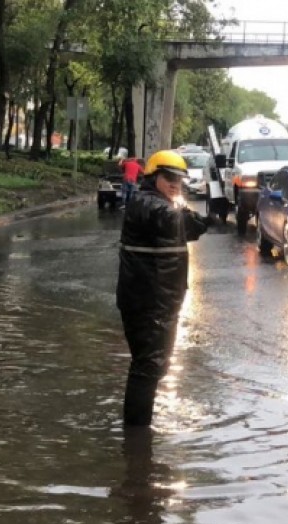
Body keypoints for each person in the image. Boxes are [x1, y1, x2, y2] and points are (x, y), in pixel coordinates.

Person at [116, 149, 213, 427]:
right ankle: (137, 436)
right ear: (153, 176)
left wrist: (200, 217)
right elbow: (172, 220)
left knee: (152, 366)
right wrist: (193, 215)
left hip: (159, 302)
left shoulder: (162, 204)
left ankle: (137, 431)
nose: (175, 184)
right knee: (147, 367)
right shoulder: (147, 203)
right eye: (169, 178)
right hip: (148, 303)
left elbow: (189, 227)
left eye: (179, 180)